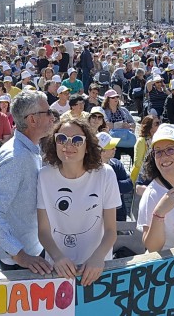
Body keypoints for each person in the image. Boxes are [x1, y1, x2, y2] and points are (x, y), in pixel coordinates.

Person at [37, 118, 119, 286]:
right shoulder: (43, 176)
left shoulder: (106, 174)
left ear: (87, 146)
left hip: (98, 268)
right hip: (59, 268)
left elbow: (111, 230)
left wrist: (97, 258)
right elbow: (43, 231)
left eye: (77, 140)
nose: (68, 145)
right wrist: (58, 257)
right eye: (61, 139)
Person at [0, 90, 54, 273]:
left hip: (31, 250)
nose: (53, 117)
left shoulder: (27, 150)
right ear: (32, 119)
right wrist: (20, 255)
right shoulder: (16, 157)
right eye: (48, 112)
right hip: (20, 262)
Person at [98, 131, 133, 221]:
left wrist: (107, 185)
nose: (115, 149)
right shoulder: (89, 168)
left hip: (119, 212)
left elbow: (128, 185)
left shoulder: (116, 163)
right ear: (101, 151)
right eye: (111, 147)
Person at [132, 115, 159, 185]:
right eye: (157, 123)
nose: (159, 125)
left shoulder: (158, 140)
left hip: (156, 175)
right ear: (150, 127)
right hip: (142, 177)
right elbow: (138, 163)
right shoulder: (141, 141)